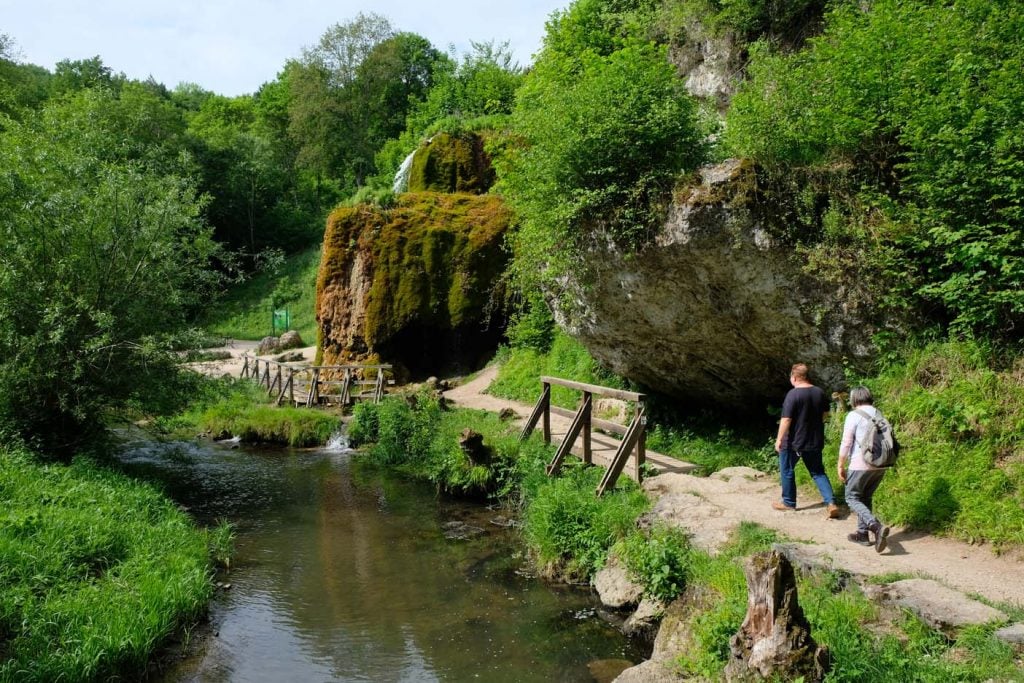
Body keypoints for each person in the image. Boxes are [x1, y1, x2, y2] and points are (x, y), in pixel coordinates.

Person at [773, 363, 840, 517]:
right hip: (815, 440)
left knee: (787, 469)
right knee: (817, 472)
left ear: (794, 377)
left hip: (794, 442)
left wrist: (779, 440)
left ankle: (788, 502)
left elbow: (786, 419)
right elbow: (825, 415)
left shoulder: (793, 395)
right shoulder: (819, 392)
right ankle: (831, 503)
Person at [837, 386, 891, 553]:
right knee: (865, 497)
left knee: (851, 497)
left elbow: (846, 442)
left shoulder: (853, 415)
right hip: (881, 463)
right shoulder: (878, 413)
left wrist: (840, 464)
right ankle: (862, 534)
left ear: (854, 399)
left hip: (861, 463)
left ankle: (875, 527)